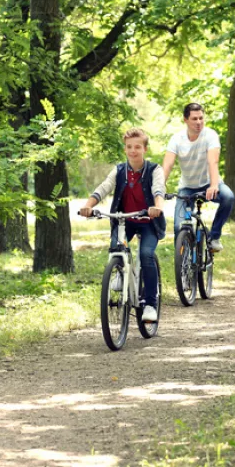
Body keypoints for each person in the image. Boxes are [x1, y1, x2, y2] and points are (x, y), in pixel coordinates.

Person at [79, 128, 166, 323]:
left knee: (146, 255)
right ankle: (119, 270)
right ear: (125, 148)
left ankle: (150, 304)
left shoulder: (154, 169)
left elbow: (158, 189)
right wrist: (88, 206)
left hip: (147, 221)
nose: (133, 151)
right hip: (124, 220)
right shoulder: (119, 170)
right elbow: (104, 187)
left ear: (145, 148)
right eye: (129, 147)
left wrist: (157, 207)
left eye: (137, 147)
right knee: (116, 247)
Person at [162, 103, 235, 251]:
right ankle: (184, 264)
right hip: (187, 188)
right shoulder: (177, 139)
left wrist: (214, 185)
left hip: (210, 184)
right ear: (185, 120)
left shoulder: (210, 135)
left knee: (228, 197)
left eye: (201, 118)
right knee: (178, 226)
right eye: (194, 119)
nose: (199, 122)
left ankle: (214, 237)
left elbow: (212, 161)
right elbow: (168, 165)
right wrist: (160, 186)